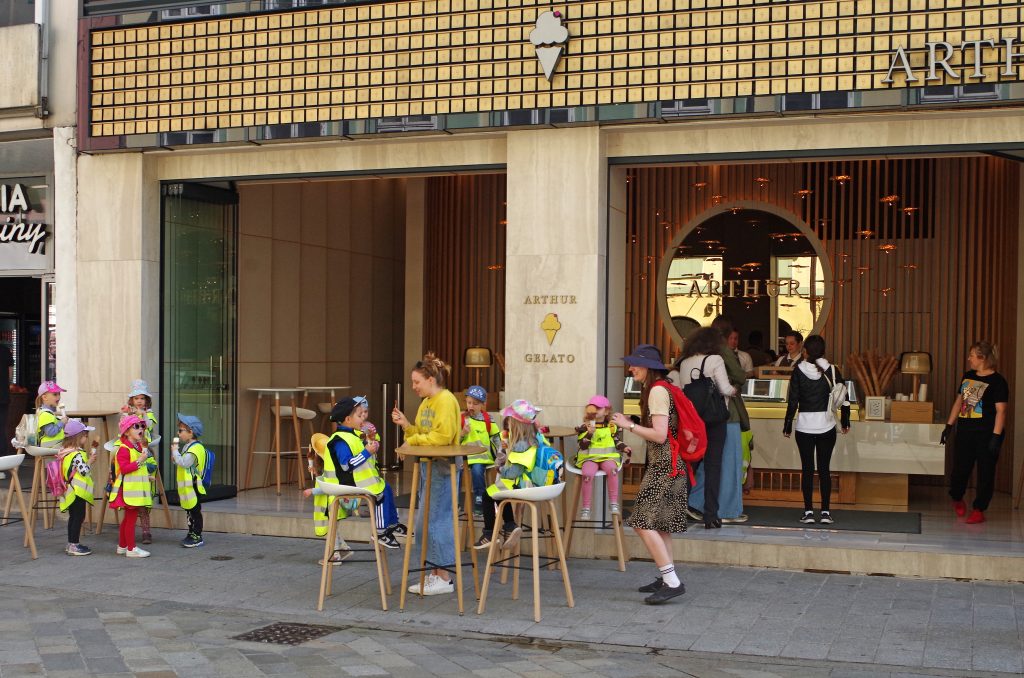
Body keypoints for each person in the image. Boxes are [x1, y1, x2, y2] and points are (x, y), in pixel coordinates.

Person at [611, 344, 693, 605]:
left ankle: (671, 581)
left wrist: (629, 425)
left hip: (664, 466)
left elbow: (659, 434)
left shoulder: (657, 391)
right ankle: (665, 576)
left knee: (641, 522)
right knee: (660, 525)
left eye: (635, 363)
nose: (631, 367)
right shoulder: (662, 388)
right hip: (672, 463)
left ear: (648, 366)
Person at [392, 353, 461, 596]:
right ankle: (435, 573)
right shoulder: (428, 402)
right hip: (428, 465)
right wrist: (406, 427)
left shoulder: (445, 400)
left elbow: (442, 437)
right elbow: (422, 432)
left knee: (436, 521)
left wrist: (413, 440)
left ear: (430, 379)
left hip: (441, 466)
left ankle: (443, 576)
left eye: (416, 381)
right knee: (425, 523)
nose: (413, 387)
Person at [672, 327, 738, 528]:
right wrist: (735, 391)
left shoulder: (684, 363)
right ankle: (711, 515)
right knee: (713, 466)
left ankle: (677, 511)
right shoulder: (715, 360)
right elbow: (725, 388)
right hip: (714, 421)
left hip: (692, 422)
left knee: (690, 465)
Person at [782, 334, 850, 524]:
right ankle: (826, 512)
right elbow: (844, 396)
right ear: (823, 350)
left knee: (807, 470)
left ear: (805, 351)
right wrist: (845, 421)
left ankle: (809, 512)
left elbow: (793, 400)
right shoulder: (833, 370)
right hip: (826, 425)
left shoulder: (798, 370)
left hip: (804, 426)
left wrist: (787, 425)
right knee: (824, 470)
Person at [943, 341, 1009, 525]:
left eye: (972, 355)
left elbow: (1001, 411)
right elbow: (959, 402)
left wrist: (996, 438)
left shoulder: (998, 382)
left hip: (988, 434)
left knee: (985, 473)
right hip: (965, 433)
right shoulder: (969, 376)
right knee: (959, 472)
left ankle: (979, 509)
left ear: (982, 358)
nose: (969, 358)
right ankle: (957, 497)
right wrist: (949, 426)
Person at [328, 397, 405, 547]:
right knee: (380, 492)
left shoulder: (352, 435)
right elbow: (347, 465)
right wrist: (367, 452)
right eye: (359, 415)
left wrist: (369, 443)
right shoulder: (340, 440)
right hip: (348, 483)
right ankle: (380, 531)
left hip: (358, 481)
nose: (362, 418)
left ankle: (392, 524)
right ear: (348, 419)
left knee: (385, 487)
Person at [476, 399, 548, 551]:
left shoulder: (520, 445)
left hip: (523, 486)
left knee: (487, 496)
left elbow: (512, 473)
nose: (507, 427)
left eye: (509, 423)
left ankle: (489, 534)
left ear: (516, 425)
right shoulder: (537, 439)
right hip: (539, 484)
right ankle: (510, 525)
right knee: (501, 493)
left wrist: (500, 468)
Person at [304, 433, 357, 565]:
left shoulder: (328, 470)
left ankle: (335, 557)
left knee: (331, 531)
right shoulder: (330, 465)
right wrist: (311, 462)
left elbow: (327, 486)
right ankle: (344, 549)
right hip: (334, 506)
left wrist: (312, 491)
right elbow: (316, 472)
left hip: (332, 506)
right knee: (334, 530)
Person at [574, 395, 630, 519]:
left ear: (606, 411)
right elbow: (582, 446)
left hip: (608, 457)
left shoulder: (612, 427)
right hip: (589, 458)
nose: (595, 411)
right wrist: (589, 434)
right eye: (592, 408)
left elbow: (616, 441)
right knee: (587, 474)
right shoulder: (585, 427)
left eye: (598, 408)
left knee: (612, 470)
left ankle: (613, 503)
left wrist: (625, 448)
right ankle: (586, 508)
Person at [108, 414, 154, 558]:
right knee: (131, 519)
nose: (141, 428)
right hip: (128, 491)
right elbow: (125, 469)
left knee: (128, 519)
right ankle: (131, 548)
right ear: (127, 431)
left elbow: (137, 470)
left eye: (142, 426)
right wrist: (140, 460)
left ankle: (122, 546)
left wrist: (147, 476)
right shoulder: (123, 449)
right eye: (136, 426)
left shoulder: (138, 447)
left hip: (133, 490)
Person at [122, 380, 157, 544]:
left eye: (142, 398)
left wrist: (141, 415)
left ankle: (146, 531)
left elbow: (149, 426)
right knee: (131, 499)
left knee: (144, 498)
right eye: (136, 398)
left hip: (145, 455)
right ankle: (128, 531)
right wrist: (127, 415)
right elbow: (121, 429)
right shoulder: (127, 415)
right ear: (131, 400)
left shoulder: (148, 414)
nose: (139, 401)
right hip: (131, 458)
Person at [57, 419, 99, 556]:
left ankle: (71, 543)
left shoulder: (65, 452)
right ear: (78, 437)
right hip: (78, 491)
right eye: (85, 435)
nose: (87, 438)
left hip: (70, 490)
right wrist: (90, 461)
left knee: (73, 517)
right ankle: (74, 545)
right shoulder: (77, 454)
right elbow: (83, 470)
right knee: (79, 516)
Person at [170, 413, 209, 548]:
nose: (178, 433)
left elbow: (185, 463)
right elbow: (183, 463)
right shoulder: (188, 446)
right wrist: (176, 457)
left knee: (194, 510)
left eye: (181, 430)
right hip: (188, 486)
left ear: (191, 432)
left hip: (193, 485)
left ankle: (197, 535)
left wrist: (175, 452)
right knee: (189, 510)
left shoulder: (196, 448)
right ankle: (191, 532)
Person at [461, 385, 500, 516]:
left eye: (475, 404)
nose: (471, 406)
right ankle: (454, 502)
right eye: (469, 402)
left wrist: (501, 454)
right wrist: (462, 433)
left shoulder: (488, 419)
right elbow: (454, 440)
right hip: (464, 457)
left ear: (483, 404)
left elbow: (496, 437)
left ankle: (479, 497)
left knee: (477, 471)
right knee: (454, 473)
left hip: (482, 457)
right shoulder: (462, 419)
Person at [36, 380, 68, 446]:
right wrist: (61, 422)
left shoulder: (45, 412)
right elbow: (50, 432)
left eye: (59, 394)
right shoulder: (45, 414)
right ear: (45, 397)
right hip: (50, 445)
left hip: (52, 444)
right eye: (55, 394)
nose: (58, 397)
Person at [0, 343, 11, 457]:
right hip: (2, 397)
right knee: (1, 429)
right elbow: (10, 374)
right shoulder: (4, 350)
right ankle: (1, 463)